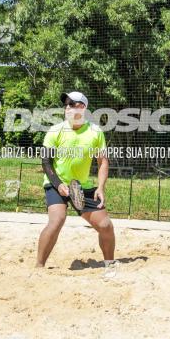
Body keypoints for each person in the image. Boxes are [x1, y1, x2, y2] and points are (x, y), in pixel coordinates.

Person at [37, 91, 115, 268]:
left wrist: (100, 188)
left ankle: (110, 264)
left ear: (83, 108)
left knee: (105, 225)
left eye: (73, 104)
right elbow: (45, 162)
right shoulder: (55, 131)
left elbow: (102, 162)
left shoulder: (95, 132)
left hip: (82, 186)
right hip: (56, 183)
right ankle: (39, 267)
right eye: (67, 105)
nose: (68, 108)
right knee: (57, 220)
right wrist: (58, 185)